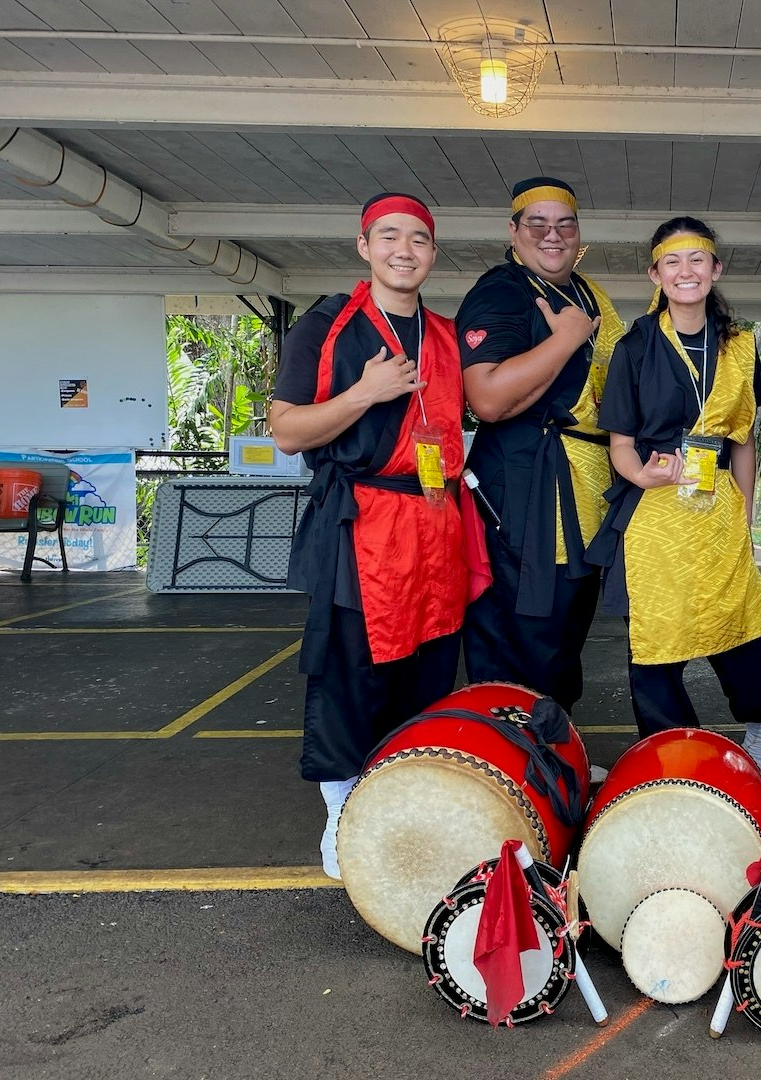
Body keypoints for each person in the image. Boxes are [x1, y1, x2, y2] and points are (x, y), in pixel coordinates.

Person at [271, 192, 488, 878]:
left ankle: (402, 800)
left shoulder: (448, 336)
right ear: (364, 247)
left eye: (419, 238)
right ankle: (341, 812)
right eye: (389, 236)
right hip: (361, 522)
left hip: (434, 521)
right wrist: (364, 393)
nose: (404, 249)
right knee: (351, 675)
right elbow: (285, 431)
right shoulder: (328, 324)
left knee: (426, 674)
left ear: (432, 253)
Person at [588, 217, 761, 779]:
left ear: (716, 269)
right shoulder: (635, 346)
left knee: (749, 620)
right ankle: (673, 753)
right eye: (672, 262)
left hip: (720, 504)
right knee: (659, 633)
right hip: (657, 512)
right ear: (656, 273)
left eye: (697, 260)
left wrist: (745, 515)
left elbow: (745, 438)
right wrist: (642, 477)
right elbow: (622, 443)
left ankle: (760, 737)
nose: (686, 272)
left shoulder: (738, 346)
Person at [455, 177, 626, 711]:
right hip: (527, 483)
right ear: (514, 231)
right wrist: (566, 339)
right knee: (525, 628)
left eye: (564, 225)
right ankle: (513, 759)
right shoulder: (501, 289)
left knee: (565, 628)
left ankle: (553, 752)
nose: (552, 236)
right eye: (537, 224)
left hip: (586, 480)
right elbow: (484, 398)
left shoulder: (588, 292)